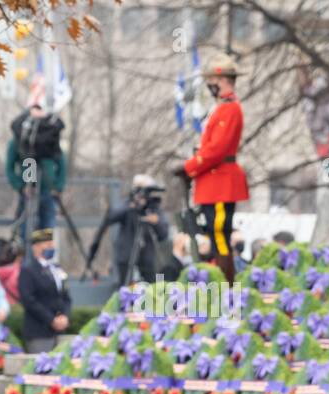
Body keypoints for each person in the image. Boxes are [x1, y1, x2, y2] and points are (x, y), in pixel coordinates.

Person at [173, 54, 248, 283]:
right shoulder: (221, 108)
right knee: (216, 237)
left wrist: (189, 167)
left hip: (220, 183)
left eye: (212, 81)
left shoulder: (229, 108)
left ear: (223, 80)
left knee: (220, 235)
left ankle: (225, 285)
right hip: (214, 183)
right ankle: (221, 282)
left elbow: (217, 149)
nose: (209, 86)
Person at [85, 174, 171, 288]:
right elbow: (110, 216)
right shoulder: (127, 204)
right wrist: (133, 206)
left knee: (151, 288)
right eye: (138, 187)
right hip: (127, 257)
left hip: (147, 258)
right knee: (125, 289)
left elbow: (164, 234)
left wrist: (156, 222)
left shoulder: (154, 208)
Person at [5, 103, 66, 244]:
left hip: (47, 191)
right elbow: (10, 168)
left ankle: (41, 255)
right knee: (26, 226)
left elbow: (61, 164)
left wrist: (57, 186)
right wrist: (21, 186)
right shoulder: (19, 142)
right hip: (28, 189)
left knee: (46, 228)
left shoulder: (50, 142)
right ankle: (27, 253)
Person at [17, 228, 72, 354]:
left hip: (59, 330)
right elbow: (29, 300)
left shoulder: (56, 268)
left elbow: (66, 297)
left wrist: (65, 316)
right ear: (35, 247)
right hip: (39, 331)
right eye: (46, 244)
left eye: (51, 244)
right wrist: (51, 320)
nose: (51, 247)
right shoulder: (28, 269)